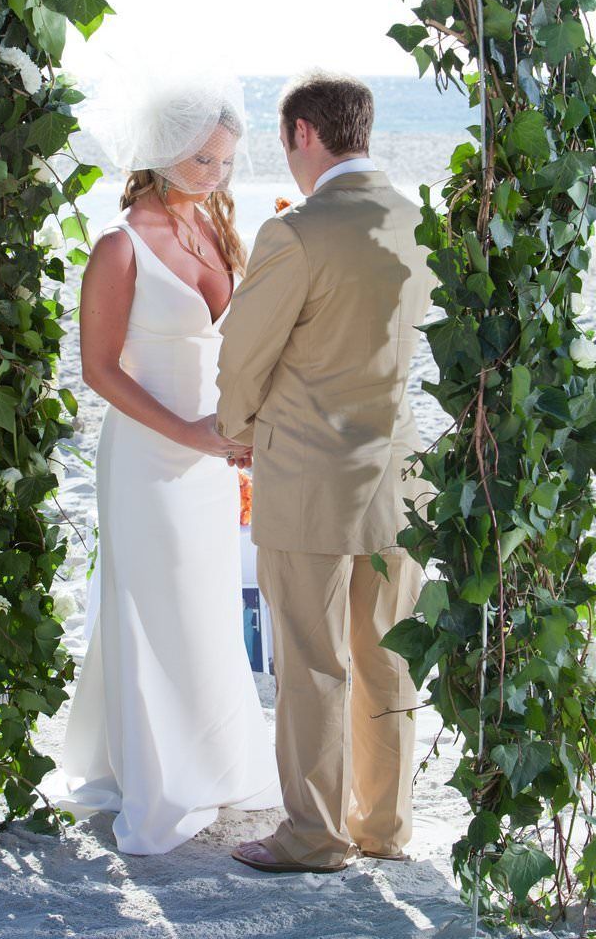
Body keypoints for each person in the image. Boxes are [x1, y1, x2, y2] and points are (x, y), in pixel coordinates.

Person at [42, 71, 281, 854]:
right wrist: (188, 431)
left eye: (225, 162)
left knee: (207, 607)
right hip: (151, 454)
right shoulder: (119, 247)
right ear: (164, 152)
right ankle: (161, 779)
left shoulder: (217, 227)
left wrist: (240, 427)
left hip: (214, 456)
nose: (215, 176)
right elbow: (99, 370)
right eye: (202, 161)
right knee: (152, 610)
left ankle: (216, 764)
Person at [214, 70, 434, 873]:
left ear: (304, 133)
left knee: (310, 662)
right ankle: (383, 825)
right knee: (388, 654)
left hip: (309, 478)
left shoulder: (296, 233)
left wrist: (236, 430)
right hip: (402, 478)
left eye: (285, 141)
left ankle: (315, 836)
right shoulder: (418, 223)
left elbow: (244, 356)